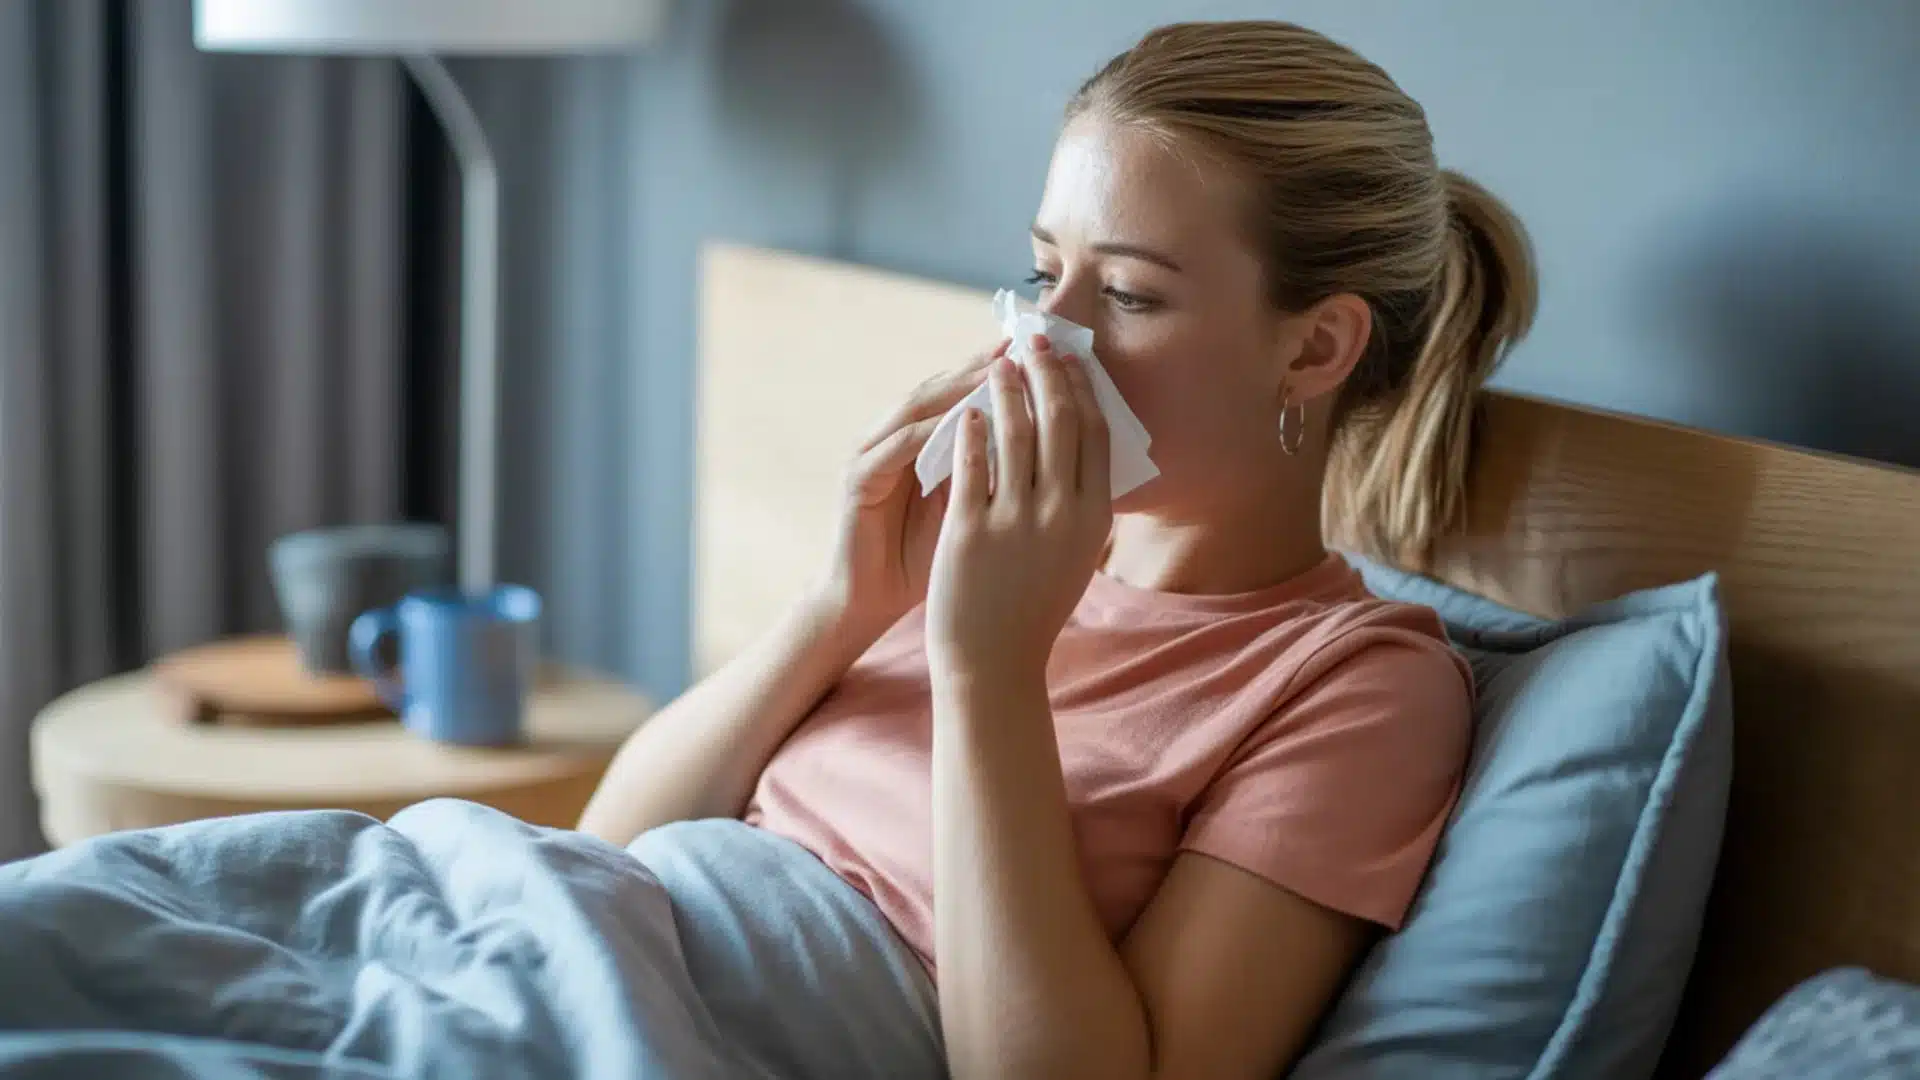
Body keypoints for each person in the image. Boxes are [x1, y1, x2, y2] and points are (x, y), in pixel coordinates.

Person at [579, 18, 1535, 1080]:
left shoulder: (1358, 687)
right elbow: (600, 852)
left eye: (1127, 295)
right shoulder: (985, 544)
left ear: (1314, 346)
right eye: (1042, 275)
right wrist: (837, 608)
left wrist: (989, 668)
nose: (1044, 336)